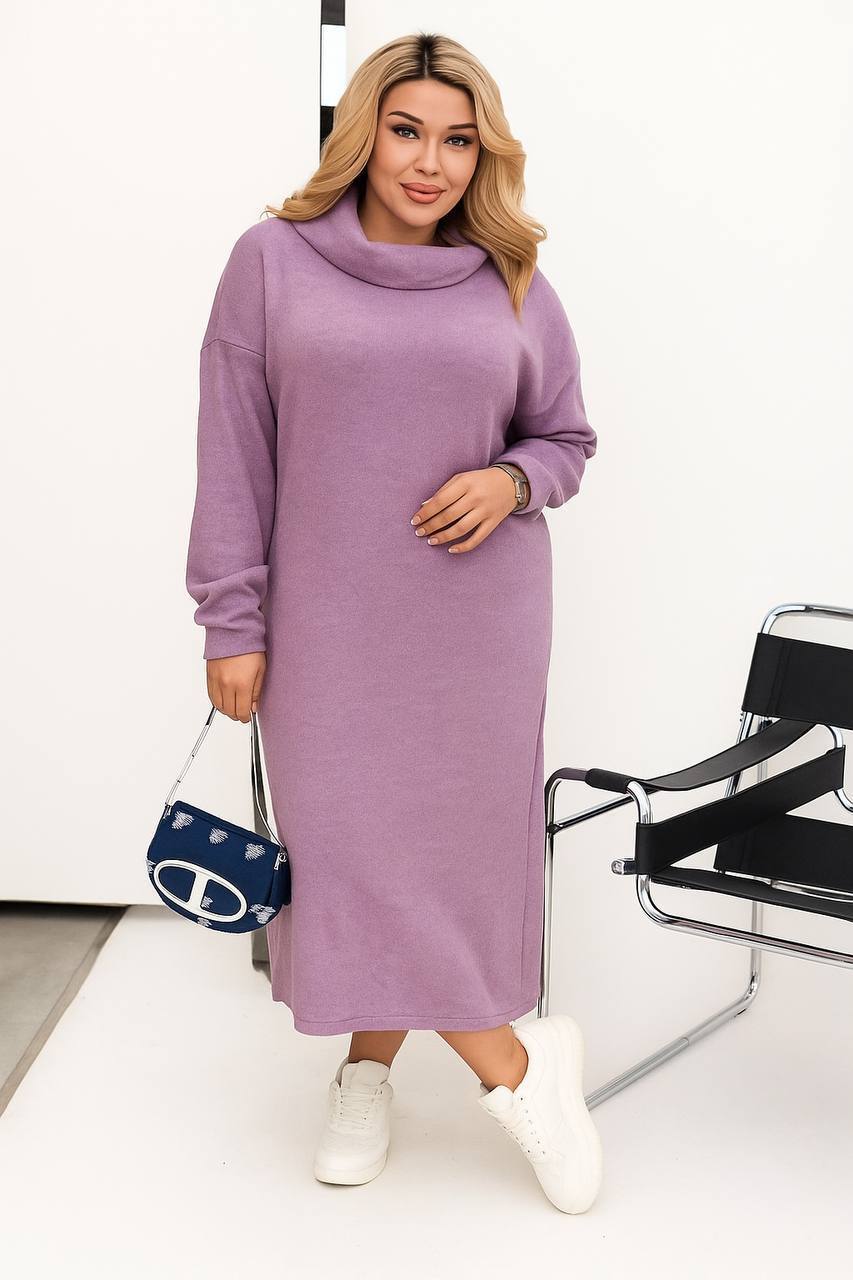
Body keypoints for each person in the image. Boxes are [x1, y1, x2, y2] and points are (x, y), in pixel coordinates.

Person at [185, 30, 602, 1214]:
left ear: (484, 156)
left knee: (443, 856)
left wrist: (510, 480)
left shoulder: (509, 280)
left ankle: (368, 1066)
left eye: (458, 141)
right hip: (326, 627)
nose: (429, 162)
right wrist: (231, 618)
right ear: (361, 132)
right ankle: (515, 1066)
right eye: (406, 130)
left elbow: (566, 438)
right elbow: (232, 452)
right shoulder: (270, 263)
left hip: (477, 627)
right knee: (350, 850)